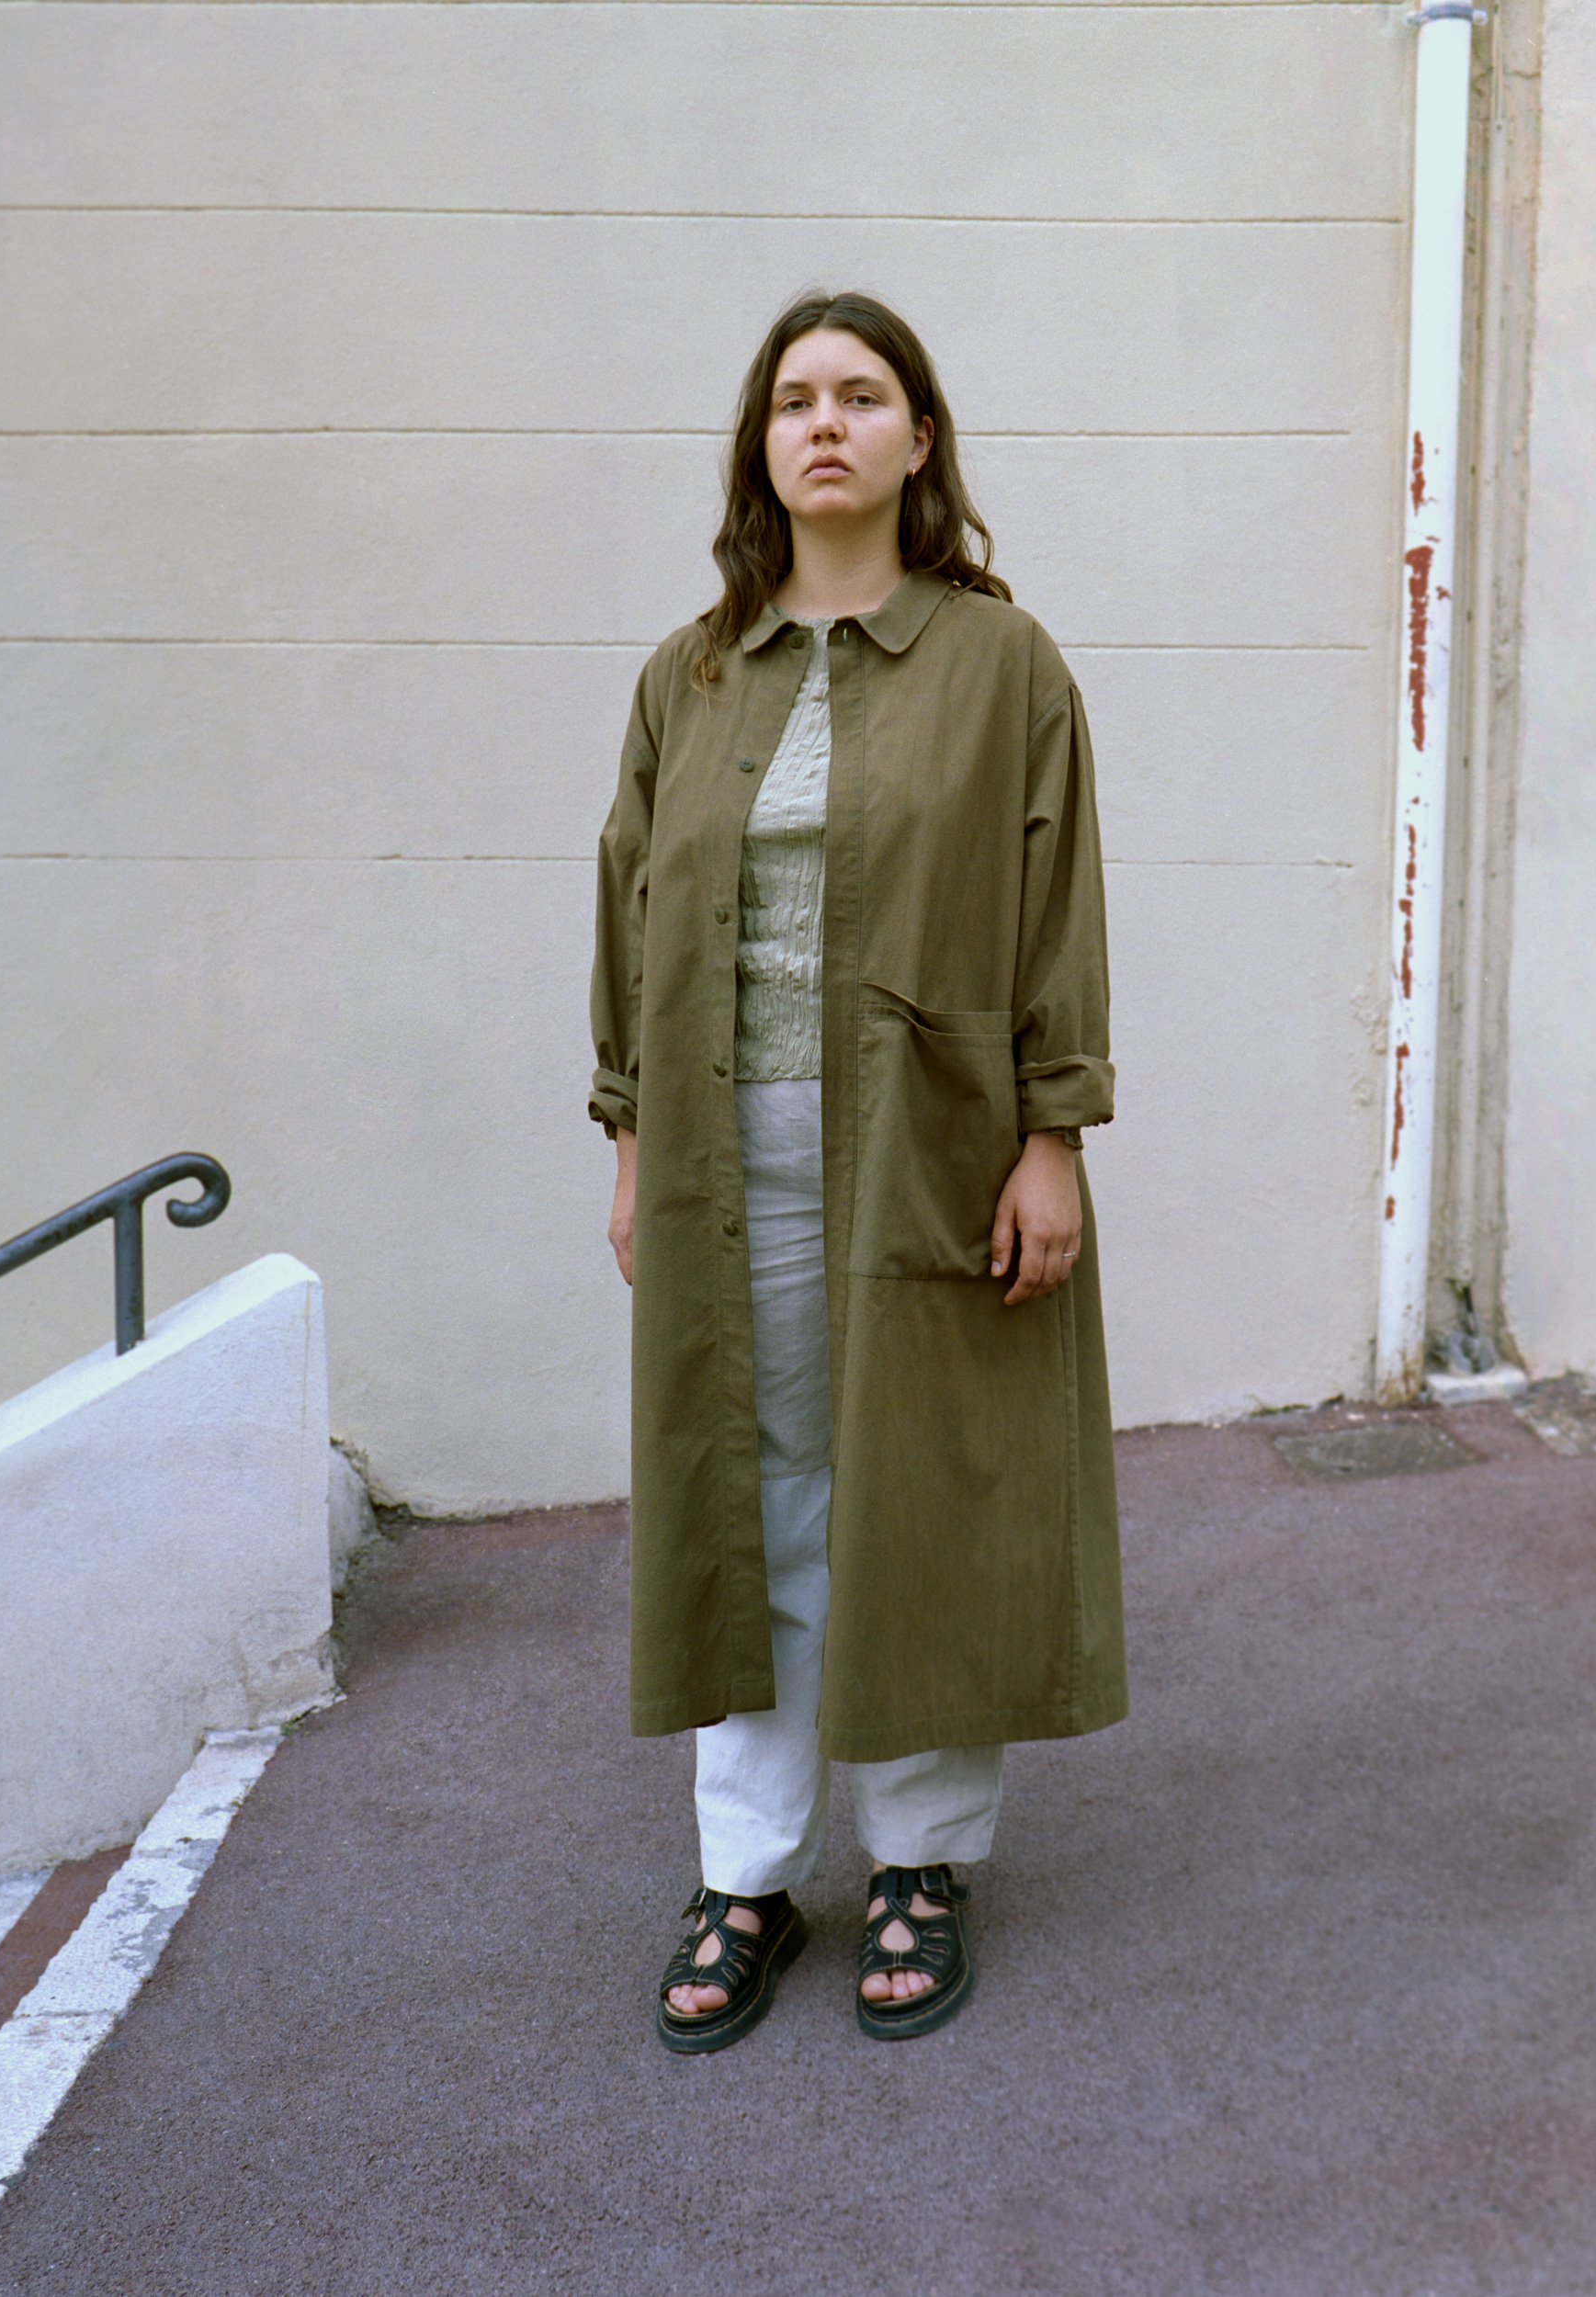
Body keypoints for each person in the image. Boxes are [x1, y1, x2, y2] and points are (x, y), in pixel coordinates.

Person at [589, 290, 1126, 2053]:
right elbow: (630, 912)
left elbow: (1056, 905)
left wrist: (1050, 1138)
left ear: (918, 440)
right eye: (795, 399)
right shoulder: (689, 673)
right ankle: (745, 1875)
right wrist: (633, 1142)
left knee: (920, 1492)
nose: (825, 423)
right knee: (746, 1499)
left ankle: (919, 1859)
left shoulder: (1003, 662)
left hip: (928, 1147)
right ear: (762, 446)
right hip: (722, 1156)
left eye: (862, 395)